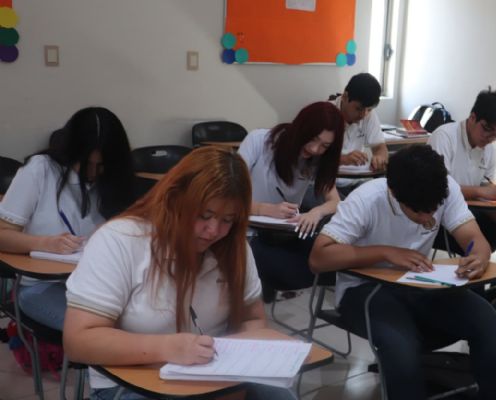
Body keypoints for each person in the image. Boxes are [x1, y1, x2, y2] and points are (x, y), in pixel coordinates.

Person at [63, 146, 295, 400]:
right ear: (174, 200)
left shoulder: (233, 247)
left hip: (213, 378)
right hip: (132, 382)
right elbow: (79, 340)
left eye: (227, 220)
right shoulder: (119, 239)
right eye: (204, 215)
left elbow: (252, 319)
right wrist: (166, 348)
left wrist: (237, 373)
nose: (213, 230)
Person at [309, 145, 496, 400]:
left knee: (486, 320)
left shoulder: (444, 187)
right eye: (418, 212)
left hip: (418, 283)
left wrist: (478, 256)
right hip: (364, 290)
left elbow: (473, 238)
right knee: (400, 344)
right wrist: (385, 252)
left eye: (433, 210)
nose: (427, 218)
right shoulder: (367, 199)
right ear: (394, 193)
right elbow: (318, 258)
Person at [0, 106, 135, 330]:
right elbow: (2, 235)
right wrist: (46, 243)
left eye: (101, 166)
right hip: (44, 286)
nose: (93, 173)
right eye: (86, 164)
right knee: (104, 332)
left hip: (101, 284)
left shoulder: (114, 180)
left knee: (146, 324)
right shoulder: (40, 170)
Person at [238, 101, 344, 302]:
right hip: (248, 234)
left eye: (325, 146)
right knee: (297, 272)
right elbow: (226, 197)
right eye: (312, 139)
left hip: (285, 235)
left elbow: (335, 202)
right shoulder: (259, 141)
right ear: (300, 128)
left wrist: (316, 212)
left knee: (333, 260)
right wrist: (263, 209)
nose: (315, 149)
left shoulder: (317, 160)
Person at [427, 89, 496, 267]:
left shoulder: (489, 150)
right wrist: (481, 192)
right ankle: (478, 270)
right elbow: (438, 188)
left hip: (471, 212)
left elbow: (484, 198)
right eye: (487, 129)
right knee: (483, 230)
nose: (491, 138)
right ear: (472, 117)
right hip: (441, 216)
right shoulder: (444, 137)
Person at [330, 73, 388, 196]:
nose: (363, 115)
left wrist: (379, 157)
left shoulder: (369, 115)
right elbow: (312, 160)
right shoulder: (326, 113)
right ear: (345, 97)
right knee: (341, 205)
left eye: (369, 109)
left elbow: (380, 147)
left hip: (358, 181)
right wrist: (343, 159)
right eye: (358, 109)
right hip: (328, 183)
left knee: (383, 195)